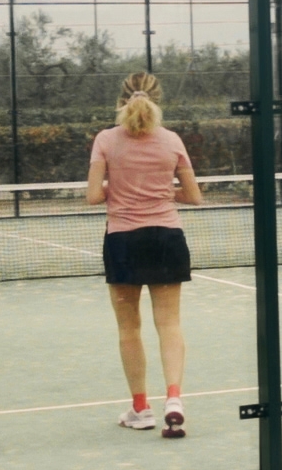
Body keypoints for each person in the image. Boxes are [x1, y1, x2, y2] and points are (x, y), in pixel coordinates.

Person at [86, 72, 200, 438]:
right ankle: (174, 400)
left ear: (120, 100)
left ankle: (140, 409)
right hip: (167, 239)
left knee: (128, 328)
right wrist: (163, 192)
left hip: (123, 242)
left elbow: (93, 195)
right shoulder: (172, 140)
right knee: (169, 324)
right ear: (158, 100)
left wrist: (119, 187)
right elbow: (194, 195)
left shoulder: (105, 140)